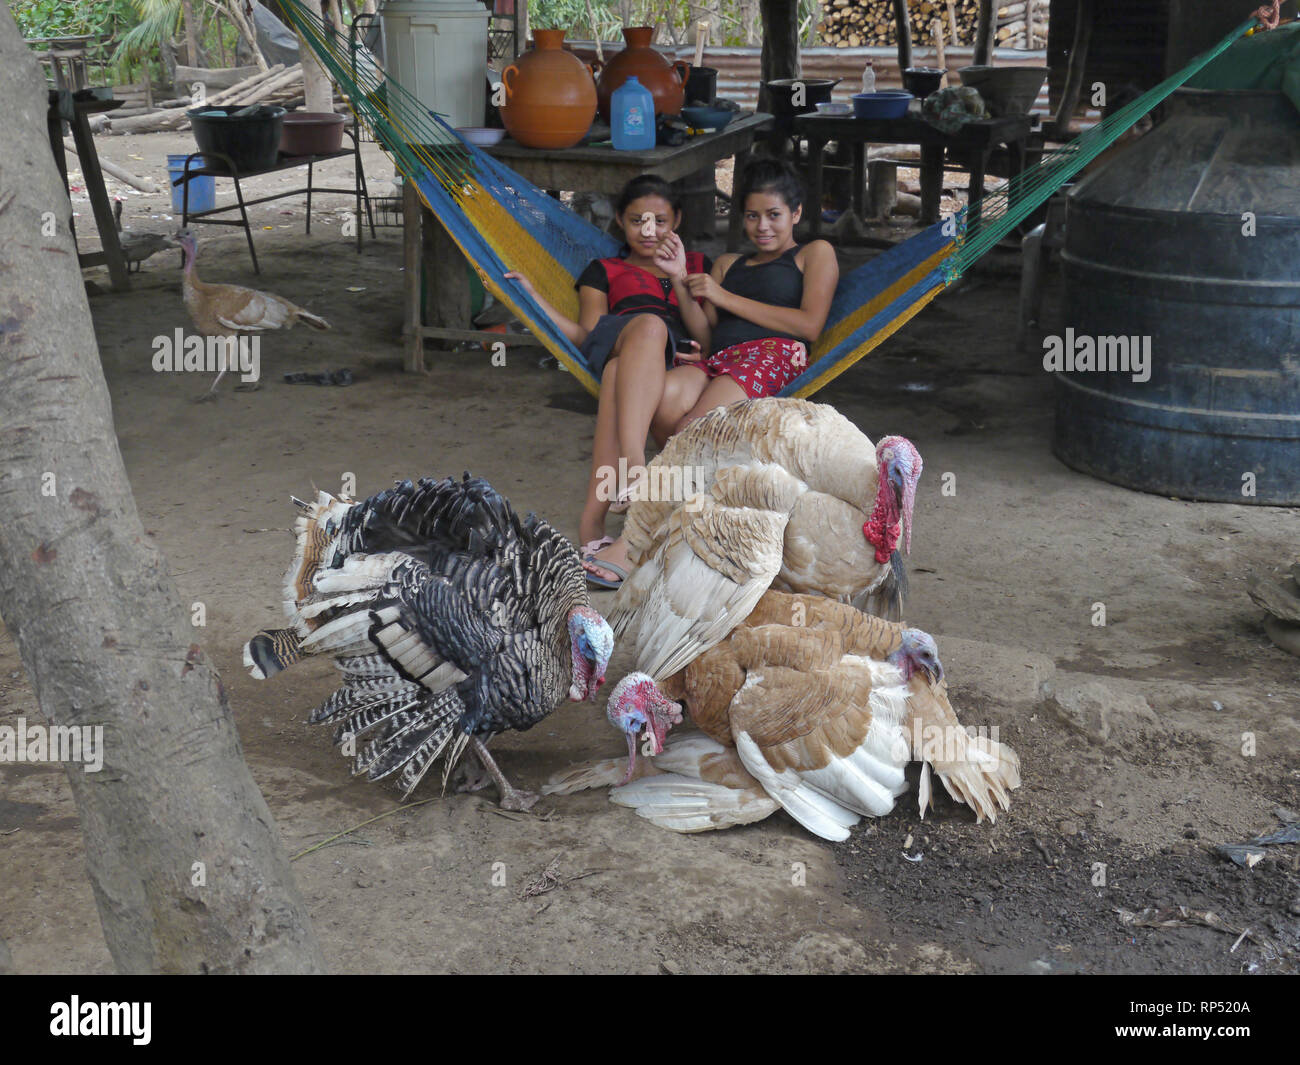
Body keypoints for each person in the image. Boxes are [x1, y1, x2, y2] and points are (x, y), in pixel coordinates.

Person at [578, 158, 840, 587]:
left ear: (796, 214)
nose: (763, 227)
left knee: (693, 432)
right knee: (635, 388)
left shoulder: (814, 254)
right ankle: (640, 502)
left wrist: (722, 296)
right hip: (720, 360)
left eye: (774, 215)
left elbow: (809, 324)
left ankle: (632, 543)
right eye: (752, 216)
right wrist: (681, 280)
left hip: (774, 353)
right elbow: (707, 330)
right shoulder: (728, 265)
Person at [505, 175, 712, 586]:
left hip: (673, 367)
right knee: (648, 328)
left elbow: (706, 339)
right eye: (637, 220)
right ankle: (637, 467)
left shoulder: (698, 267)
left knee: (621, 373)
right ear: (620, 220)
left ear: (678, 221)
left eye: (660, 221)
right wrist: (535, 301)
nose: (648, 231)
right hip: (623, 341)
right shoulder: (604, 270)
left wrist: (682, 280)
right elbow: (587, 335)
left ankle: (592, 520)